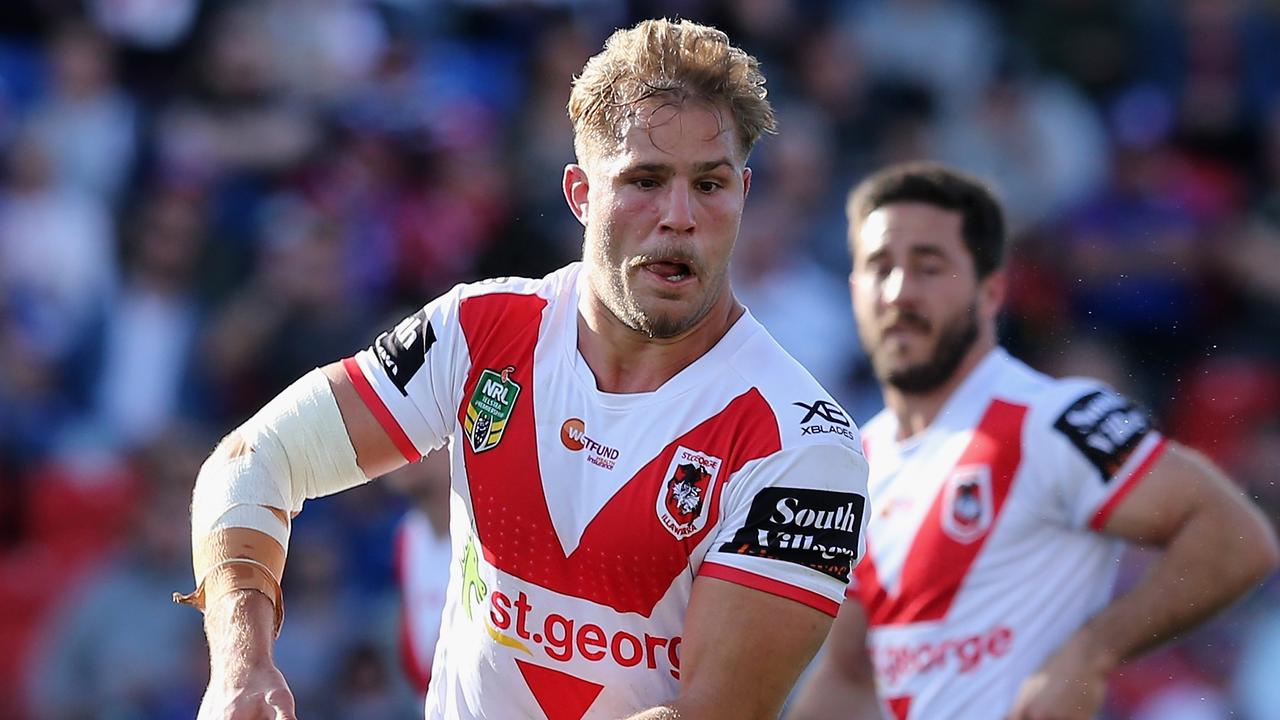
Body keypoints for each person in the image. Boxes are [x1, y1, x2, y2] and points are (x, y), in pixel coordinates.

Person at [177, 19, 871, 720]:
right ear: (579, 194)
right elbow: (252, 460)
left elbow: (710, 715)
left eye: (710, 184)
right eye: (645, 180)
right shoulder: (478, 330)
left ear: (744, 194)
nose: (680, 215)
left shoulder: (804, 448)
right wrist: (243, 666)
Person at [784, 161, 1280, 720]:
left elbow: (1238, 539)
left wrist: (1092, 651)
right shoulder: (859, 462)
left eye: (929, 267)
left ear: (991, 291)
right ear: (854, 290)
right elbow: (852, 676)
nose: (900, 291)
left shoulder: (1052, 418)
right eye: (880, 267)